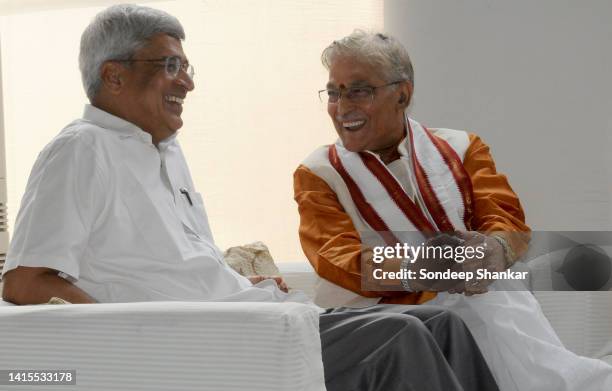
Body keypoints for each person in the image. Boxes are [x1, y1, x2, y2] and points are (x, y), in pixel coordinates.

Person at [0, 5, 499, 391]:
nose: (189, 82)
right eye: (170, 65)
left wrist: (231, 277)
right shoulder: (79, 150)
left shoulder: (165, 151)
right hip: (216, 339)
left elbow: (164, 259)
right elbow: (26, 281)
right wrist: (133, 334)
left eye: (187, 65)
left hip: (253, 315)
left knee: (442, 322)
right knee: (401, 338)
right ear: (113, 76)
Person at [294, 30, 612, 391]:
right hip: (377, 321)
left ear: (403, 94)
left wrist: (495, 250)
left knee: (495, 300)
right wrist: (416, 270)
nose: (343, 105)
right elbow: (336, 256)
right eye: (334, 93)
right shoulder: (318, 172)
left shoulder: (461, 147)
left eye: (359, 90)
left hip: (481, 299)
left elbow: (503, 217)